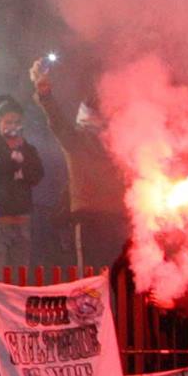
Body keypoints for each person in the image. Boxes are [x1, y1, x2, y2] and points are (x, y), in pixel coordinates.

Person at [33, 68, 126, 266]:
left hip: (103, 215)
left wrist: (45, 94)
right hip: (98, 216)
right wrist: (45, 95)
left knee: (104, 275)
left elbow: (57, 121)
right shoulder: (82, 139)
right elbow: (57, 121)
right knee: (104, 275)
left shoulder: (116, 140)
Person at [0, 96, 45, 271]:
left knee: (19, 278)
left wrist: (21, 165)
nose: (13, 126)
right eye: (8, 122)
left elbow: (37, 175)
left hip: (23, 221)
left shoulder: (29, 149)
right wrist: (15, 160)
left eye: (17, 122)